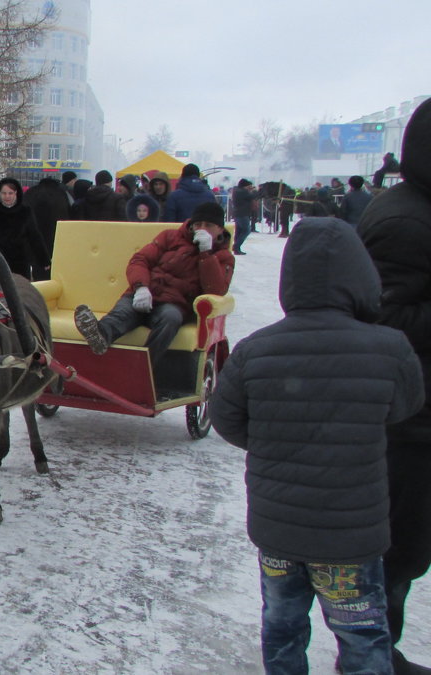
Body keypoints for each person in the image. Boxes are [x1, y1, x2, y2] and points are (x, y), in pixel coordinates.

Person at [210, 217, 425, 675]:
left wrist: (272, 440)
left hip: (278, 535)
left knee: (282, 627)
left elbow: (226, 419)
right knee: (363, 633)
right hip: (352, 538)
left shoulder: (256, 350)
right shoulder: (391, 348)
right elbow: (406, 407)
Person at [358, 97, 431, 675]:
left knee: (405, 546)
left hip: (415, 414)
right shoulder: (406, 220)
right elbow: (382, 320)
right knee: (397, 548)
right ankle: (372, 656)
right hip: (407, 419)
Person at [73, 201, 234, 372]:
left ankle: (143, 369)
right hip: (144, 293)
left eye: (208, 225)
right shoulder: (170, 237)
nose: (201, 229)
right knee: (122, 313)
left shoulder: (224, 257)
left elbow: (215, 290)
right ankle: (100, 335)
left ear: (219, 229)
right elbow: (139, 260)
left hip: (175, 304)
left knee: (170, 319)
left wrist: (206, 254)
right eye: (197, 224)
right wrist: (141, 287)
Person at [0, 176, 50, 280]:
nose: (7, 196)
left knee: (20, 293)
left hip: (20, 264)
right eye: (4, 193)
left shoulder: (25, 211)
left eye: (10, 193)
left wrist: (43, 259)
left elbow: (34, 236)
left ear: (16, 194)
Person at [27, 176, 72, 258]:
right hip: (55, 236)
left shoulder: (31, 192)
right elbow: (68, 215)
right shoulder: (61, 194)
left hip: (34, 238)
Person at [230, 178, 255, 255]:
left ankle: (237, 248)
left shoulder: (236, 191)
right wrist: (255, 191)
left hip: (238, 214)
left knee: (239, 231)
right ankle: (236, 246)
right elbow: (253, 196)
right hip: (243, 214)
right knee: (246, 230)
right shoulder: (243, 192)